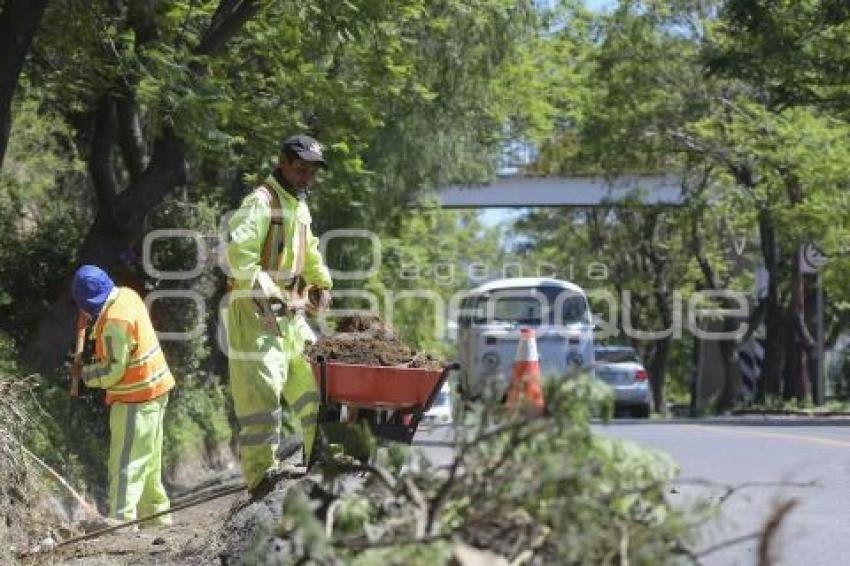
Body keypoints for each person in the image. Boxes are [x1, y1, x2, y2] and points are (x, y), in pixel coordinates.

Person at [224, 133, 333, 497]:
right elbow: (240, 261)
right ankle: (260, 479)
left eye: (311, 172)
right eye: (300, 169)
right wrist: (275, 297)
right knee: (262, 396)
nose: (306, 177)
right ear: (283, 162)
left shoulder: (298, 205)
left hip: (290, 315)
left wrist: (321, 282)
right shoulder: (260, 202)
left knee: (316, 381)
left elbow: (310, 249)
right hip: (256, 312)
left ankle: (320, 458)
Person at [71, 265, 175, 525]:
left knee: (126, 466)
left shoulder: (114, 324)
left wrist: (84, 375)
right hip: (156, 391)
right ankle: (157, 521)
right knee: (148, 464)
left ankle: (121, 524)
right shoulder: (127, 296)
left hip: (135, 400)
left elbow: (112, 370)